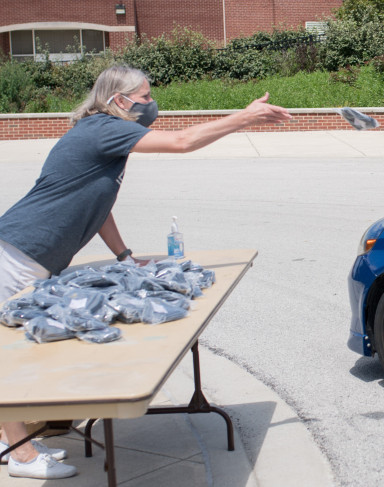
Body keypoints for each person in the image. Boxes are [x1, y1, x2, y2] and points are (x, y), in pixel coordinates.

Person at [0, 65, 291, 479]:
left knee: (21, 350)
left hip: (31, 253)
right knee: (11, 358)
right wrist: (243, 119)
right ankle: (22, 455)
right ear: (119, 100)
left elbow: (97, 203)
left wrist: (124, 256)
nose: (150, 103)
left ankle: (13, 440)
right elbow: (182, 141)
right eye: (144, 95)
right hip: (17, 252)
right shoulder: (103, 128)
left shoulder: (102, 134)